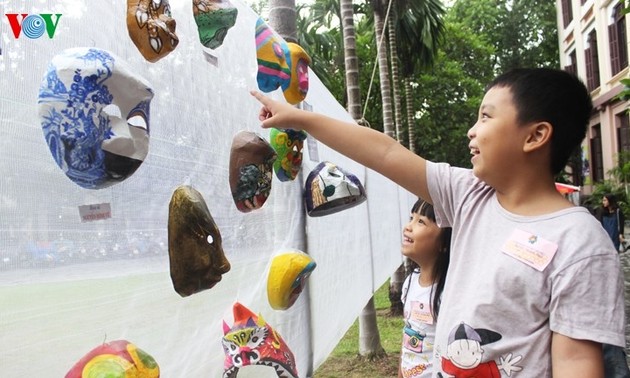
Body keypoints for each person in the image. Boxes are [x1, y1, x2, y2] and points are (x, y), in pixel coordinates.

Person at [251, 67, 626, 377]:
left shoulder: (580, 242)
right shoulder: (469, 195)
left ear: (535, 136)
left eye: (486, 116)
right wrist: (299, 118)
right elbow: (385, 152)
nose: (472, 130)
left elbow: (577, 361)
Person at [399, 198, 452, 378]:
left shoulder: (449, 293)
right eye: (411, 218)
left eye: (421, 221)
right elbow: (407, 336)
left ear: (444, 243)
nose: (408, 226)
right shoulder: (409, 283)